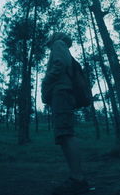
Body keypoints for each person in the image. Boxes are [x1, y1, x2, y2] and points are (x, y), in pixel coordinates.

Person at [41, 32, 90, 195]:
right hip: (61, 93)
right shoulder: (61, 46)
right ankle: (76, 177)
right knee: (63, 134)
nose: (48, 44)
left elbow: (60, 64)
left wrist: (46, 80)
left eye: (49, 41)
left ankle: (78, 179)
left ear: (54, 38)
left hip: (61, 92)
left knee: (66, 133)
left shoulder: (58, 44)